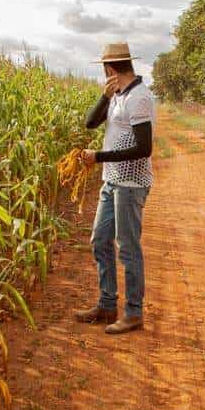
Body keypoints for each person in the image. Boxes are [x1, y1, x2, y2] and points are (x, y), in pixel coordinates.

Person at [73, 42, 155, 334]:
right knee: (100, 240)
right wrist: (104, 96)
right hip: (112, 181)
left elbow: (143, 149)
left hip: (130, 185)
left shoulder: (140, 98)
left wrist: (99, 157)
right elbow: (90, 123)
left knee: (128, 247)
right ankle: (107, 305)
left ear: (109, 68)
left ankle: (133, 313)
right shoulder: (118, 95)